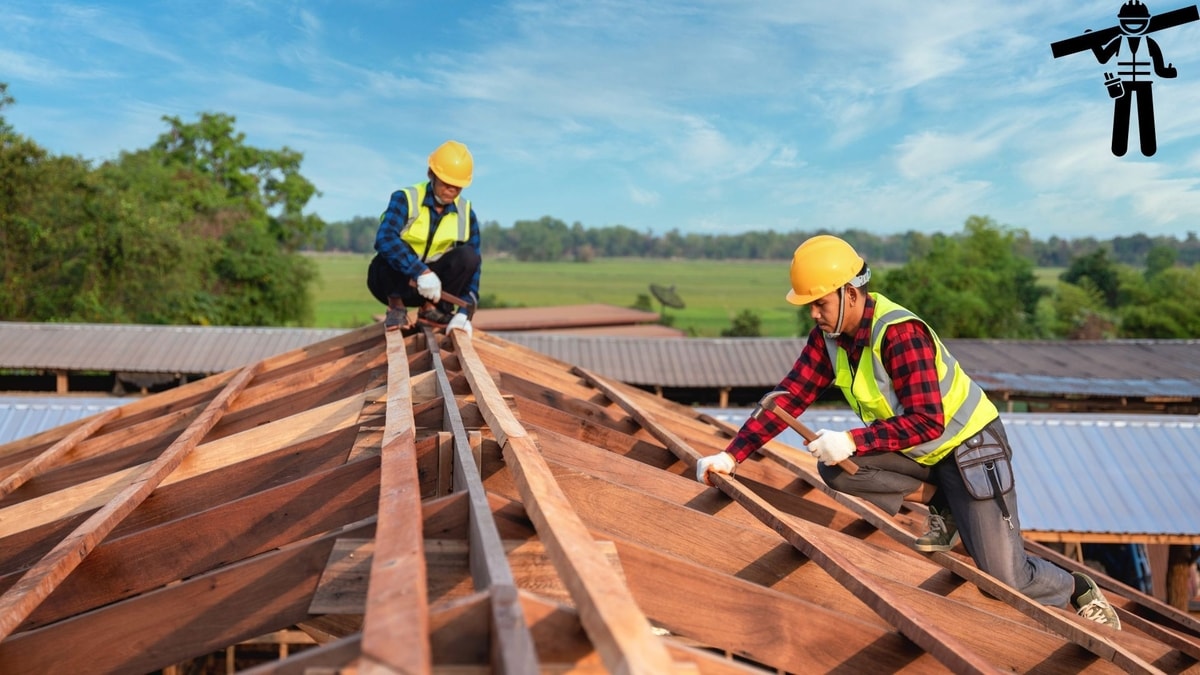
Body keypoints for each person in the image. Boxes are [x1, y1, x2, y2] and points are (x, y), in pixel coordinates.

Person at [695, 234, 1121, 630]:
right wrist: (732, 456)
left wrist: (853, 439)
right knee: (838, 469)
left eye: (819, 303)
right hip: (922, 453)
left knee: (1002, 577)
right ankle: (946, 507)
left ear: (850, 293)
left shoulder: (899, 333)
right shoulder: (829, 337)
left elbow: (928, 422)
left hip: (971, 449)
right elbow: (788, 397)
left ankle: (1076, 587)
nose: (813, 313)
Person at [367, 140, 481, 335]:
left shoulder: (466, 213)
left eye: (458, 186)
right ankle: (396, 308)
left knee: (468, 256)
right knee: (391, 249)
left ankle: (432, 312)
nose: (451, 190)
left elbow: (473, 267)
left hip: (435, 293)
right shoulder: (406, 198)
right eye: (446, 183)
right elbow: (384, 238)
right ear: (431, 174)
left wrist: (464, 312)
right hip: (396, 283)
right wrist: (420, 272)